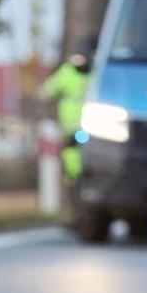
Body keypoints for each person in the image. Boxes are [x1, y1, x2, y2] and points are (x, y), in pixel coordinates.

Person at [41, 35, 97, 193]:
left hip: (94, 125)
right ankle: (75, 186)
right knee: (72, 159)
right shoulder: (66, 72)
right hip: (71, 127)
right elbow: (48, 90)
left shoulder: (98, 73)